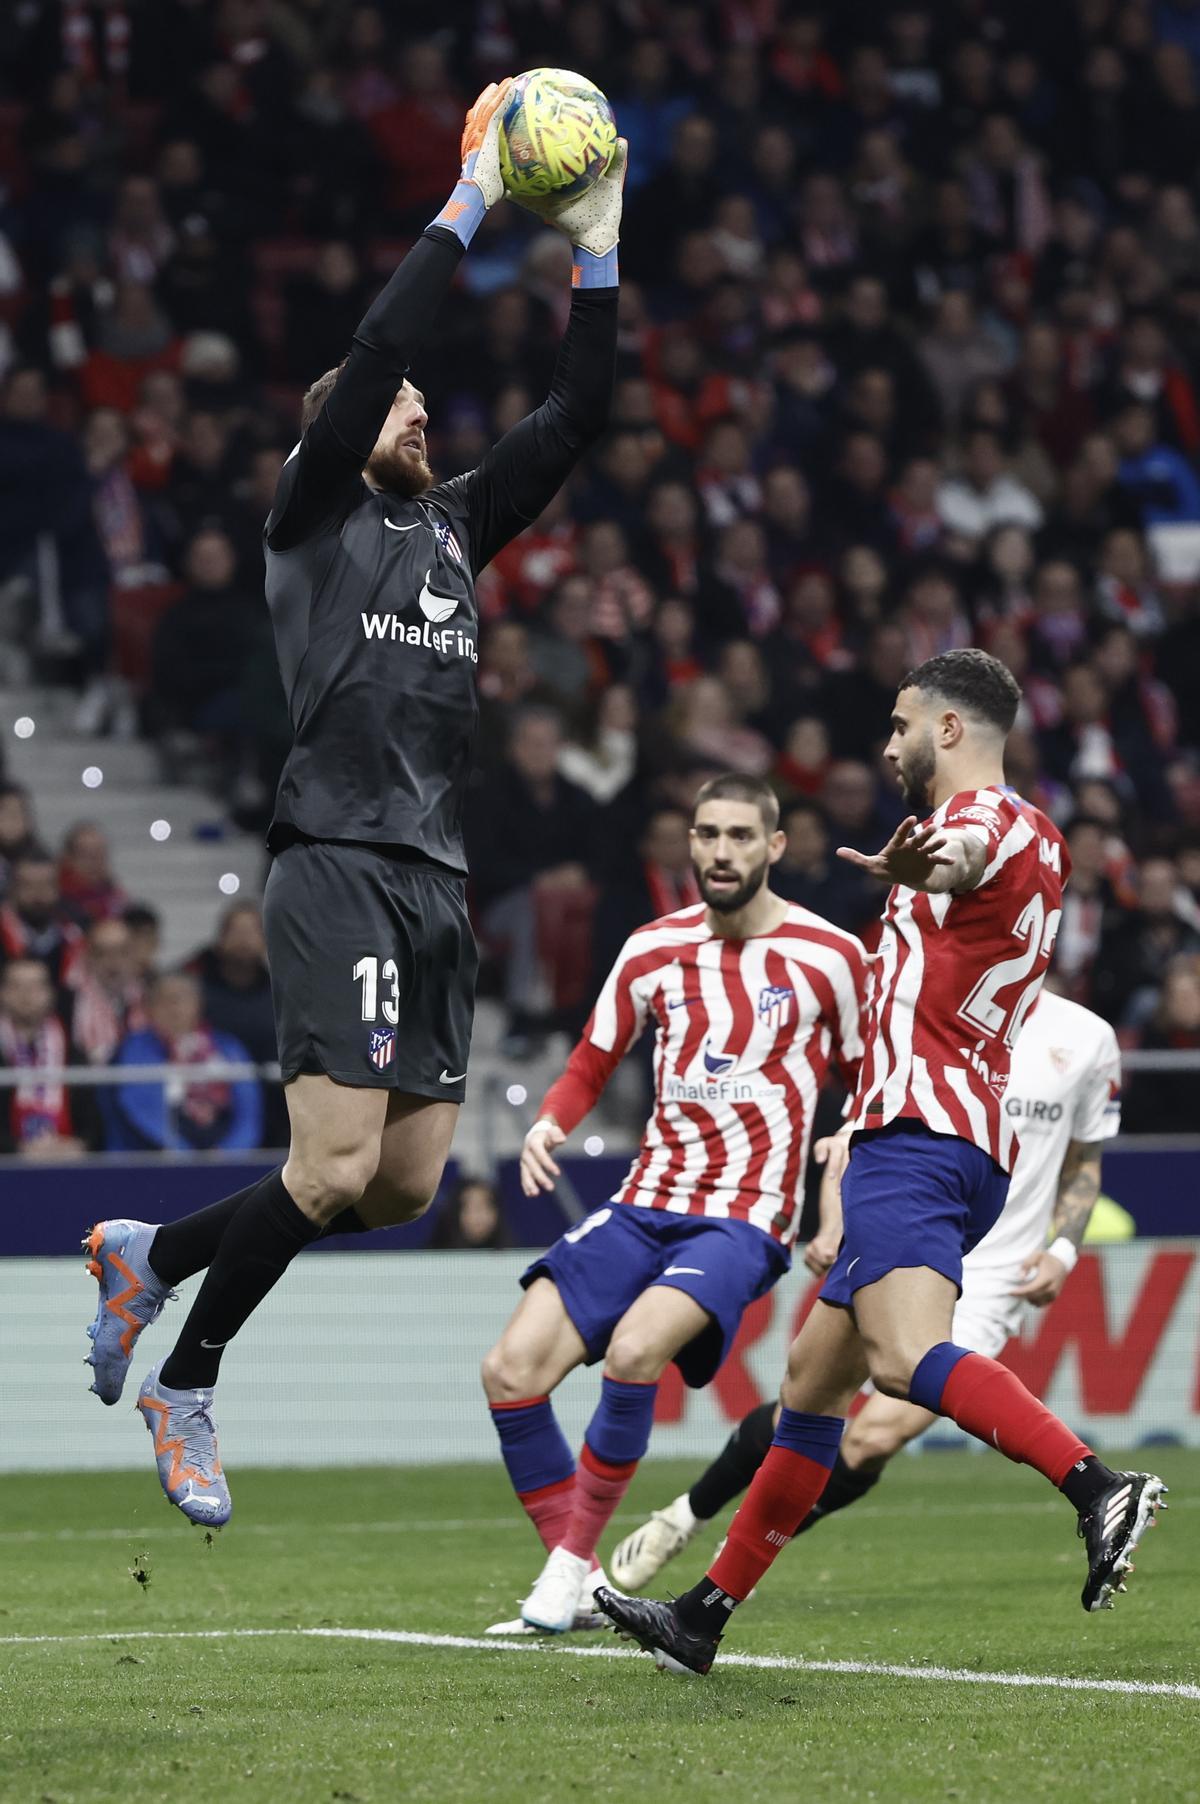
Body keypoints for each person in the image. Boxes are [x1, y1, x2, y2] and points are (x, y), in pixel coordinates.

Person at [83, 81, 627, 1529]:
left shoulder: (452, 527)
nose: (422, 406)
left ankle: (152, 1257)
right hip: (335, 858)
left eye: (424, 404)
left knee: (393, 1187)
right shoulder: (311, 514)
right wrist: (464, 203)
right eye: (398, 401)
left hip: (430, 879)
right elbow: (384, 339)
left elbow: (580, 410)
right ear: (337, 427)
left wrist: (599, 241)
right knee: (324, 1167)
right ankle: (187, 1382)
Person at [598, 649, 1165, 1674]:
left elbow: (961, 853)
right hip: (934, 1134)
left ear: (950, 730)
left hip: (923, 1136)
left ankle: (1097, 1485)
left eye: (903, 723)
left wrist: (924, 867)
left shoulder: (982, 822)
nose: (890, 741)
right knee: (811, 1390)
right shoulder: (1040, 839)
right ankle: (702, 1617)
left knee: (905, 1362)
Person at [480, 773, 869, 1637]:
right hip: (645, 1198)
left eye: (739, 836)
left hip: (746, 1214)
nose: (720, 852)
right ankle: (572, 1574)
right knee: (509, 1372)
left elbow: (871, 1087)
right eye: (706, 835)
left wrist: (836, 1196)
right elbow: (593, 1055)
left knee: (634, 1350)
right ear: (688, 844)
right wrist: (550, 1122)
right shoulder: (653, 946)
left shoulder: (831, 956)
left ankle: (568, 1571)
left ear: (773, 847)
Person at [611, 988, 1123, 1588]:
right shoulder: (929, 1014)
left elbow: (1084, 1158)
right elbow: (859, 1132)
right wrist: (831, 1225)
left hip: (997, 1273)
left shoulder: (1088, 1037)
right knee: (804, 1399)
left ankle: (721, 1574)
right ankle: (685, 1521)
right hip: (904, 1237)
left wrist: (1063, 1249)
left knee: (876, 1433)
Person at [104, 971, 263, 1154]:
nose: (174, 1006)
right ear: (148, 1007)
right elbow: (142, 1109)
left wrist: (229, 1152)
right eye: (164, 999)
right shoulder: (134, 1048)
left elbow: (249, 1112)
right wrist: (186, 1155)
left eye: (182, 998)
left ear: (199, 1004)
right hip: (157, 1159)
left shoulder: (228, 1047)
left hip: (224, 1157)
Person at [0, 957, 100, 1158]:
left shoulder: (73, 1051)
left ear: (51, 994)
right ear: (2, 993)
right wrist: (17, 1150)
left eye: (36, 986)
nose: (26, 995)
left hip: (68, 1163)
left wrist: (79, 1146)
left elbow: (94, 1122)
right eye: (16, 986)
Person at [428, 1176, 510, 1250]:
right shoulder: (432, 1259)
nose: (479, 1216)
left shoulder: (513, 1257)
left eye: (485, 1206)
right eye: (470, 1207)